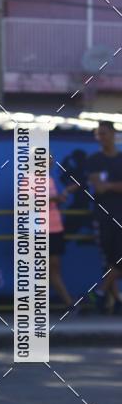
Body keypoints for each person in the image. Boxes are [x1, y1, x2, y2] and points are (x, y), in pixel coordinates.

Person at [87, 120, 122, 314]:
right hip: (104, 216)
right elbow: (99, 186)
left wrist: (110, 185)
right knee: (110, 259)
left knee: (117, 259)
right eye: (98, 134)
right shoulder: (95, 160)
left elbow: (105, 185)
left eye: (104, 133)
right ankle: (115, 300)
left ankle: (100, 292)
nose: (101, 137)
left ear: (113, 134)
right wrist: (113, 186)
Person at [48, 156, 74, 310]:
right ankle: (69, 303)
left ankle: (68, 303)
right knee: (45, 268)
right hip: (39, 230)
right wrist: (56, 198)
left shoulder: (49, 179)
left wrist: (64, 193)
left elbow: (52, 201)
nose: (51, 162)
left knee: (54, 267)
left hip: (55, 228)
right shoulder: (28, 179)